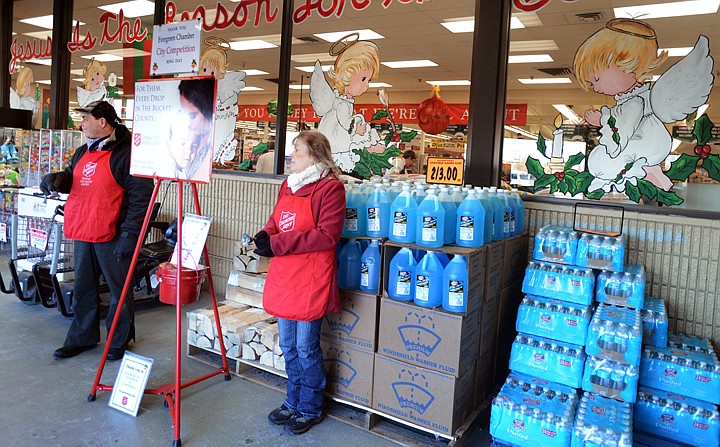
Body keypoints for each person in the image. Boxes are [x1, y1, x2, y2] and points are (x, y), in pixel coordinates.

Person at [39, 100, 153, 361]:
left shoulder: (129, 154)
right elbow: (74, 177)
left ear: (103, 122)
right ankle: (82, 337)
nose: (81, 124)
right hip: (84, 229)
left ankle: (118, 340)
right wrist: (57, 179)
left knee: (119, 291)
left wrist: (129, 235)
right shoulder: (82, 151)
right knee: (84, 288)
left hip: (113, 233)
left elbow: (140, 199)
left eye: (86, 119)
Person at [253, 130, 345, 435]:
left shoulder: (330, 189)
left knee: (306, 347)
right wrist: (266, 235)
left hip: (311, 277)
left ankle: (310, 405)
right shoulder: (288, 185)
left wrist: (278, 245)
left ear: (316, 156)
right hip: (285, 274)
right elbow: (276, 220)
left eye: (298, 151)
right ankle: (292, 401)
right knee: (289, 346)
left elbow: (327, 235)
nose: (291, 155)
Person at [573, 18, 712, 195]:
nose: (597, 88)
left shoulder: (636, 101)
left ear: (628, 66)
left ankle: (644, 171)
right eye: (592, 83)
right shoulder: (632, 98)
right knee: (599, 159)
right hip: (644, 144)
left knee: (599, 160)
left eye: (597, 79)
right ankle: (644, 171)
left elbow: (625, 123)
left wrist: (602, 119)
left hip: (644, 144)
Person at [310, 37, 384, 172]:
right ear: (347, 76)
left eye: (368, 80)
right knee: (358, 122)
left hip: (338, 132)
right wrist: (355, 128)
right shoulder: (342, 104)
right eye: (363, 79)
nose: (366, 85)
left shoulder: (344, 101)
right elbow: (345, 121)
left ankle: (365, 147)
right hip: (336, 135)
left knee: (359, 120)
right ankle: (363, 147)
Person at [178, 78, 215, 180]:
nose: (189, 123)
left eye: (193, 116)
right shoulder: (193, 141)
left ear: (207, 110)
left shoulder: (212, 150)